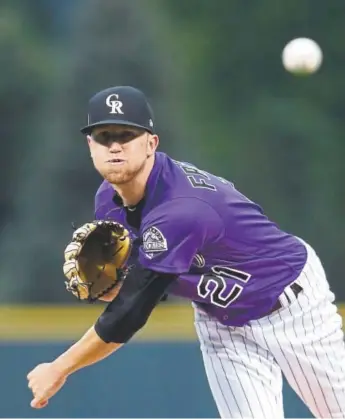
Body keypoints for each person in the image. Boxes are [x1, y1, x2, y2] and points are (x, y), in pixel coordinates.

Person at [27, 86, 345, 418]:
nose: (116, 145)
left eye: (127, 134)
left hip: (289, 303)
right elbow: (144, 286)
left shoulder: (181, 210)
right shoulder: (108, 201)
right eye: (104, 135)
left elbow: (129, 314)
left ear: (151, 143)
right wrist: (115, 287)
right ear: (90, 146)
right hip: (221, 319)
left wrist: (59, 367)